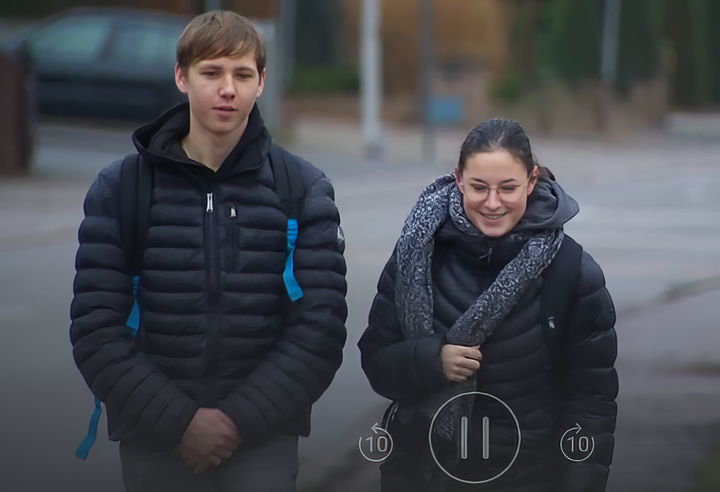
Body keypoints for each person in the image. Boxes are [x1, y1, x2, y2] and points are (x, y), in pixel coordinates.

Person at [69, 11, 347, 492]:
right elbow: (96, 329)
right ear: (182, 76)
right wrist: (179, 422)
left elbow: (320, 329)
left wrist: (238, 421)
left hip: (263, 438)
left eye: (242, 75)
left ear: (261, 83)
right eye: (211, 72)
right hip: (154, 437)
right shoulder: (122, 188)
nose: (228, 89)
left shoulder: (302, 188)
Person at [358, 118, 617, 491]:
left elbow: (591, 402)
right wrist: (433, 360)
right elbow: (377, 361)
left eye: (508, 188)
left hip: (529, 477)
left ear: (531, 182)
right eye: (479, 187)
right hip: (424, 475)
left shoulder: (571, 272)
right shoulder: (417, 254)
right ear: (459, 180)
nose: (492, 203)